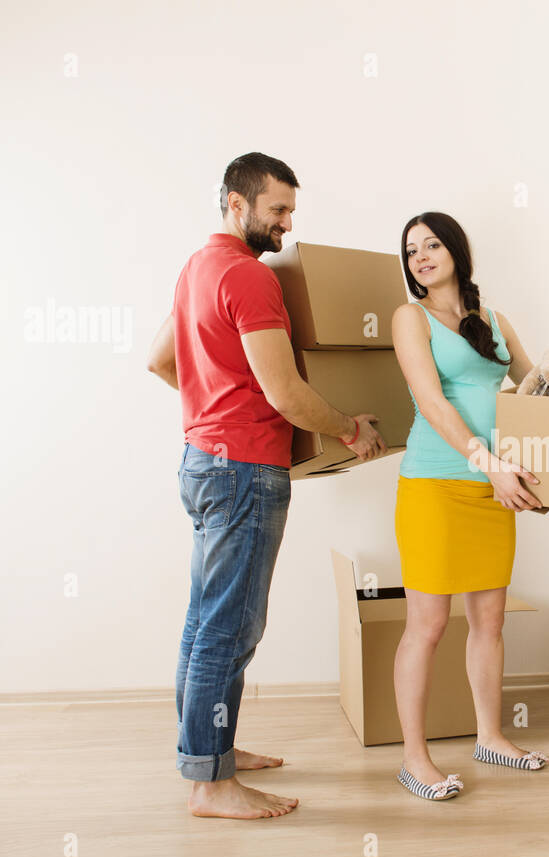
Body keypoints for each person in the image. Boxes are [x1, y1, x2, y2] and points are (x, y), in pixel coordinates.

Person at [147, 152, 385, 819]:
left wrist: (214, 401)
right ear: (236, 202)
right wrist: (349, 428)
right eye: (276, 210)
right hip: (245, 471)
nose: (285, 225)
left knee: (205, 620)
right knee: (231, 626)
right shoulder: (249, 278)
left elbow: (158, 360)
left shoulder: (196, 269)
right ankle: (212, 786)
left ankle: (207, 750)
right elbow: (285, 394)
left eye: (290, 211)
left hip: (201, 462)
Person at [389, 211, 549, 801]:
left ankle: (489, 737)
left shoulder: (495, 320)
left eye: (431, 244)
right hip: (436, 485)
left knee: (490, 621)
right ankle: (414, 759)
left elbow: (541, 393)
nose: (422, 257)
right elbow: (431, 402)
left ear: (456, 248)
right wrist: (491, 466)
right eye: (411, 251)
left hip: (495, 487)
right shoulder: (411, 318)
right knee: (427, 626)